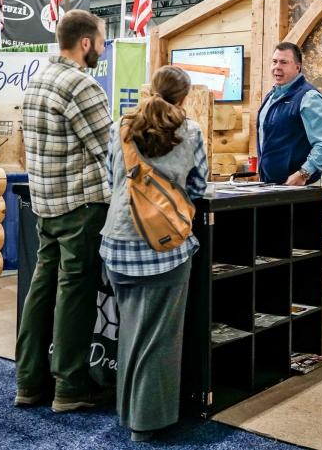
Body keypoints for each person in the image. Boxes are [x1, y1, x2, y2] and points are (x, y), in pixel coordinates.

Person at [100, 65, 208, 442]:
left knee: (131, 331)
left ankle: (126, 410)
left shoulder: (121, 128)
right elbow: (198, 186)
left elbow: (111, 179)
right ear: (184, 96)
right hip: (165, 250)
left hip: (116, 244)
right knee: (159, 339)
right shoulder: (190, 131)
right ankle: (146, 424)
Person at [15, 10, 112, 412]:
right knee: (75, 292)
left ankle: (29, 381)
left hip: (46, 204)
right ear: (85, 42)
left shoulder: (36, 81)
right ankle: (69, 387)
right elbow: (111, 149)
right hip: (81, 205)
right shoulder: (81, 85)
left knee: (41, 290)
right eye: (102, 39)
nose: (104, 46)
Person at [258, 42, 322, 185]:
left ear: (297, 67)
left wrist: (303, 174)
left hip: (299, 187)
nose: (277, 67)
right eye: (274, 61)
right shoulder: (270, 97)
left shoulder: (309, 97)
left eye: (284, 62)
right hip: (270, 186)